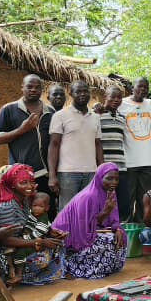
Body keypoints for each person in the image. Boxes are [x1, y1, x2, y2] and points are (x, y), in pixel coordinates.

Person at [0, 164, 66, 286]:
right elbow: (5, 240)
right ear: (12, 184)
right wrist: (39, 242)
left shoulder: (23, 200)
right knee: (45, 255)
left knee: (57, 244)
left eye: (31, 182)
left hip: (22, 240)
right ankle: (19, 275)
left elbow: (30, 223)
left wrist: (50, 231)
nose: (29, 186)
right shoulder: (8, 207)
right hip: (7, 250)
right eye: (23, 183)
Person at [0, 74, 56, 213]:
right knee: (21, 211)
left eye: (37, 87)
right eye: (29, 86)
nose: (33, 90)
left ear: (42, 90)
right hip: (21, 175)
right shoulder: (9, 109)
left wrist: (54, 173)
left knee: (45, 212)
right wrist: (22, 129)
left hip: (46, 174)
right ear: (22, 87)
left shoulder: (50, 112)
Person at [52, 163, 127, 279]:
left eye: (116, 179)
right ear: (99, 178)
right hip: (70, 237)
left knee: (120, 236)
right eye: (109, 178)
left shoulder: (110, 192)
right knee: (104, 243)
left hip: (90, 230)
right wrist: (106, 212)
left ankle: (107, 267)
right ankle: (81, 268)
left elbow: (112, 219)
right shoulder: (88, 197)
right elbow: (83, 228)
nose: (114, 182)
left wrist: (116, 228)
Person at [48, 80, 103, 210]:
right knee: (67, 211)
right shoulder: (60, 116)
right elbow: (54, 145)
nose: (82, 94)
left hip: (91, 172)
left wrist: (101, 170)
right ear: (71, 94)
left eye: (85, 91)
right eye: (78, 91)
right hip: (67, 173)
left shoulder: (95, 117)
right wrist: (52, 175)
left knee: (88, 210)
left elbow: (98, 145)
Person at [119, 77, 151, 223]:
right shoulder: (122, 103)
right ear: (133, 87)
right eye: (140, 86)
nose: (142, 90)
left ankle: (141, 229)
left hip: (146, 162)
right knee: (127, 199)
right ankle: (126, 230)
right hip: (128, 162)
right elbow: (107, 108)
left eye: (145, 87)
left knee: (143, 198)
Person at [97, 86, 130, 217]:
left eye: (119, 97)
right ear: (105, 97)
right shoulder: (97, 115)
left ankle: (120, 229)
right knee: (103, 201)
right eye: (113, 96)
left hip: (120, 167)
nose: (116, 100)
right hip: (104, 168)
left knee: (122, 202)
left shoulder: (122, 117)